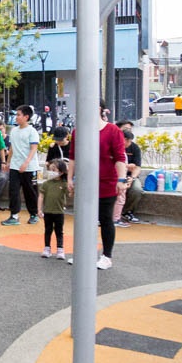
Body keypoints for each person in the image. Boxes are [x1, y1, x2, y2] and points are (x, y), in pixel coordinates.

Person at [66, 100, 127, 270]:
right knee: (84, 219)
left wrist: (121, 180)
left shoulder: (113, 130)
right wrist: (70, 178)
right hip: (84, 182)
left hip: (107, 182)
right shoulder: (78, 132)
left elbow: (119, 158)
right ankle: (83, 254)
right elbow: (73, 157)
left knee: (105, 218)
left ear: (99, 109)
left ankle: (107, 256)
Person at [2, 105, 40, 226]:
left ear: (26, 116)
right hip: (15, 166)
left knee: (30, 191)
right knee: (13, 191)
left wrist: (26, 163)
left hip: (30, 167)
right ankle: (14, 215)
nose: (16, 117)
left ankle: (34, 214)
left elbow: (34, 148)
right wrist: (8, 162)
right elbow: (12, 147)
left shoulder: (32, 131)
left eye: (18, 115)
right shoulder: (14, 130)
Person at [38, 158, 69, 260]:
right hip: (48, 211)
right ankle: (47, 248)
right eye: (50, 169)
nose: (51, 172)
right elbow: (41, 196)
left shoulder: (64, 184)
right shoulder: (46, 184)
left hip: (59, 211)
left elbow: (70, 193)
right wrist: (39, 209)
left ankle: (60, 249)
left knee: (59, 231)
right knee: (48, 230)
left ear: (61, 171)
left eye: (54, 169)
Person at [115, 130, 143, 225]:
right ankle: (114, 217)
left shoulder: (134, 148)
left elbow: (137, 167)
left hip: (129, 176)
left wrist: (132, 178)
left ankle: (126, 212)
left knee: (136, 189)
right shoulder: (114, 146)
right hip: (116, 176)